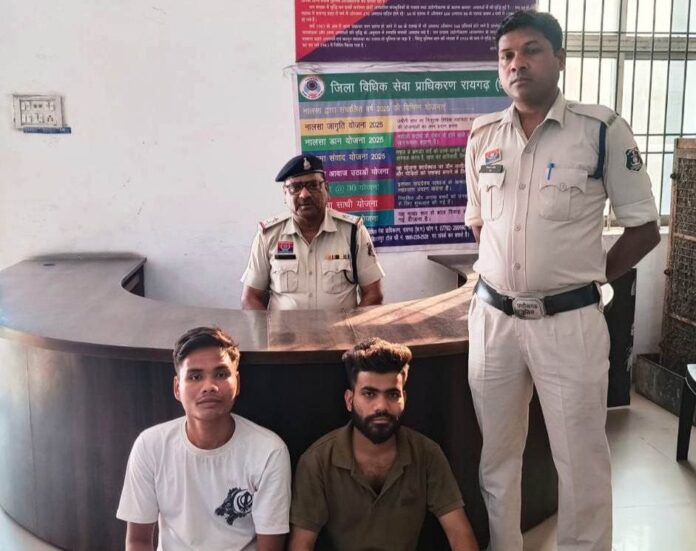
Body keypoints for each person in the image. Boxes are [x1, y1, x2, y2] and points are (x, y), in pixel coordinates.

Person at [464, 9, 661, 551]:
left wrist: (588, 278)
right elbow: (480, 223)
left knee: (580, 459)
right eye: (506, 55)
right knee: (497, 456)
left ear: (559, 59)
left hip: (569, 323)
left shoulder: (600, 130)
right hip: (494, 321)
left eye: (530, 50)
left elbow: (645, 228)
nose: (517, 64)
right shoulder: (482, 136)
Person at [288, 338, 479, 551]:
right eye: (369, 394)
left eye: (392, 394)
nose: (381, 406)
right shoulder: (317, 461)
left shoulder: (427, 453)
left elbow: (460, 535)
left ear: (404, 398)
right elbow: (301, 544)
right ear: (350, 400)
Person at [116, 327, 291, 551]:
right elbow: (138, 541)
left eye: (221, 374)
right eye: (195, 376)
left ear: (237, 382)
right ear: (177, 388)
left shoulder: (269, 451)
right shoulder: (150, 446)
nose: (209, 386)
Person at [241, 154, 385, 310]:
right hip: (284, 327)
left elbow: (373, 294)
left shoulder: (353, 232)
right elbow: (251, 298)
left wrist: (352, 325)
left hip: (340, 327)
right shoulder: (268, 235)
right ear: (285, 195)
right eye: (295, 187)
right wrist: (267, 327)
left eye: (313, 185)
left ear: (326, 189)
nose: (305, 195)